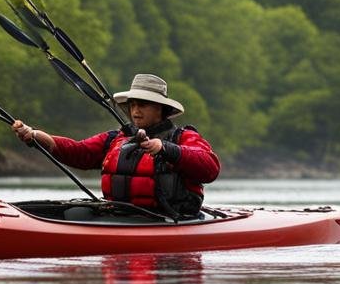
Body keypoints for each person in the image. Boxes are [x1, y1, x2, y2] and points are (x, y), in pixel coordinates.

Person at [11, 73, 219, 219]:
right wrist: (36, 135)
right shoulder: (116, 138)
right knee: (74, 213)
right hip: (120, 216)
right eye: (132, 105)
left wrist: (165, 148)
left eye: (143, 105)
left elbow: (210, 168)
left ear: (161, 109)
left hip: (167, 219)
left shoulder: (183, 137)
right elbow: (78, 152)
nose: (135, 111)